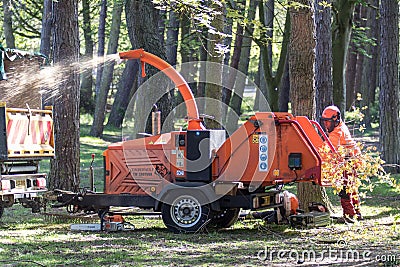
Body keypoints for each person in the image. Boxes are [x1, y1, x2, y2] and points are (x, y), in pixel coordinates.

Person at [320, 105, 362, 223]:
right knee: (351, 188)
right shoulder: (341, 126)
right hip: (351, 160)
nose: (326, 125)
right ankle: (356, 213)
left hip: (348, 161)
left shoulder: (337, 133)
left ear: (336, 119)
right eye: (324, 122)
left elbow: (327, 151)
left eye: (328, 122)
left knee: (344, 189)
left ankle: (349, 215)